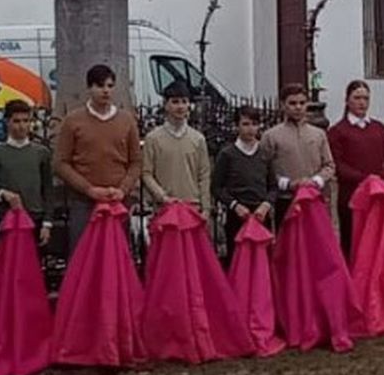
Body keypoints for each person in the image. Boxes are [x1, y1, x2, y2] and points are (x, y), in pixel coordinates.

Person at [52, 64, 142, 255]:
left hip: (117, 202)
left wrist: (123, 189)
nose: (105, 91)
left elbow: (136, 162)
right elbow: (60, 163)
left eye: (110, 86)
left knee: (116, 257)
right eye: (100, 86)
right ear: (89, 88)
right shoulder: (73, 121)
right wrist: (89, 189)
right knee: (84, 255)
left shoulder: (127, 120)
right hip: (84, 202)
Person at [326, 80, 384, 257]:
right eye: (357, 98)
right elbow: (337, 163)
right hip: (351, 194)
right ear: (347, 100)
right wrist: (364, 179)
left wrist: (382, 178)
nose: (362, 103)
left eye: (366, 98)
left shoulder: (379, 129)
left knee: (377, 239)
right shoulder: (338, 131)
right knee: (351, 239)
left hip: (378, 194)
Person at [262, 84, 336, 228]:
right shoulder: (271, 136)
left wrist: (315, 180)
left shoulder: (318, 134)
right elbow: (264, 169)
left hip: (314, 197)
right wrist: (287, 183)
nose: (298, 107)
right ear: (283, 105)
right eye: (293, 103)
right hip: (285, 199)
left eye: (302, 103)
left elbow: (329, 165)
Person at [0, 99, 53, 247]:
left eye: (26, 121)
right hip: (6, 218)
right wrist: (2, 193)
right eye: (16, 121)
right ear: (7, 122)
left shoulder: (41, 152)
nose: (22, 126)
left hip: (34, 217)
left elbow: (48, 189)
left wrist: (47, 223)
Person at [212, 105, 276, 262]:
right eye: (246, 124)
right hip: (238, 215)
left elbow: (273, 186)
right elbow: (216, 187)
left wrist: (266, 205)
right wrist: (234, 205)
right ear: (236, 126)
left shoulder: (265, 153)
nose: (250, 129)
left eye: (254, 124)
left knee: (262, 261)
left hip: (261, 214)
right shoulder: (227, 154)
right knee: (238, 261)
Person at [142, 82, 213, 217]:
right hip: (165, 209)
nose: (180, 106)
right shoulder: (153, 138)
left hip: (192, 207)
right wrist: (162, 196)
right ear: (165, 105)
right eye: (175, 102)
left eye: (184, 102)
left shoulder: (198, 139)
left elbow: (204, 175)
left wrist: (206, 208)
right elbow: (146, 173)